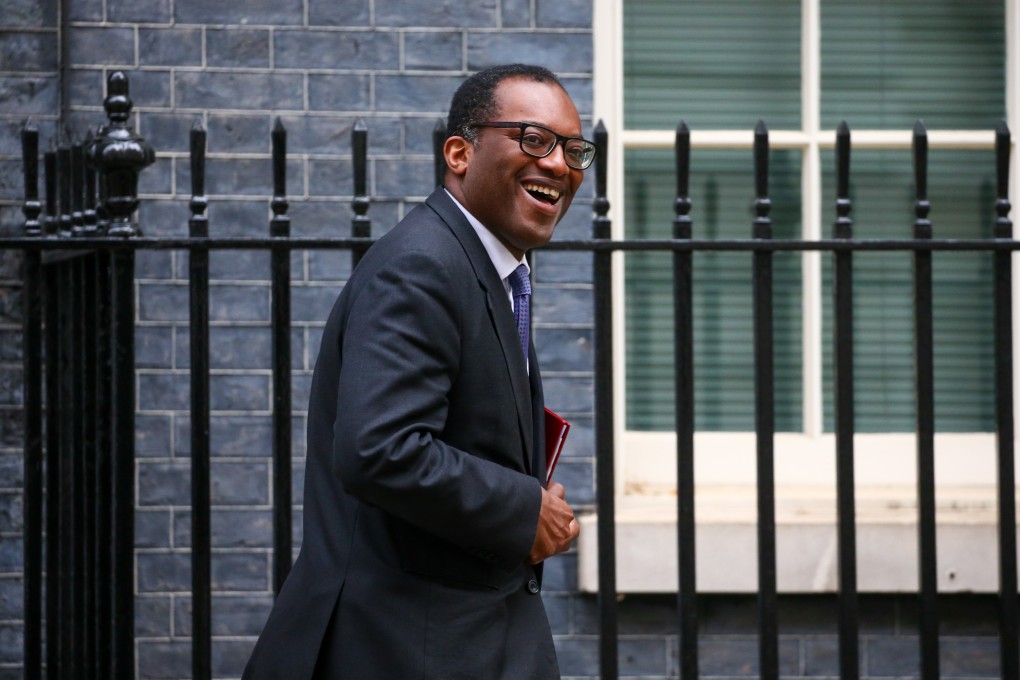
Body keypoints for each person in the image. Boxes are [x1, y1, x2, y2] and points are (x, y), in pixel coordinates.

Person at [242, 63, 594, 679]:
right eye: (534, 140)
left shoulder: (491, 269)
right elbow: (380, 448)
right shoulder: (422, 266)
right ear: (460, 152)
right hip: (401, 649)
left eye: (574, 149)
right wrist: (523, 509)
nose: (561, 165)